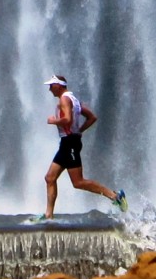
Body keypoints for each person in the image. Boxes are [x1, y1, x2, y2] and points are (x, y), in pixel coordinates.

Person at [35, 74, 127, 220]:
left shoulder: (65, 99)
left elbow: (67, 119)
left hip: (70, 143)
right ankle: (48, 215)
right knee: (50, 178)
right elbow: (92, 117)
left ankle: (115, 196)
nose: (50, 89)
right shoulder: (74, 100)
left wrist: (54, 121)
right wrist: (79, 131)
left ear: (59, 85)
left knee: (78, 182)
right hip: (68, 142)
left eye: (51, 86)